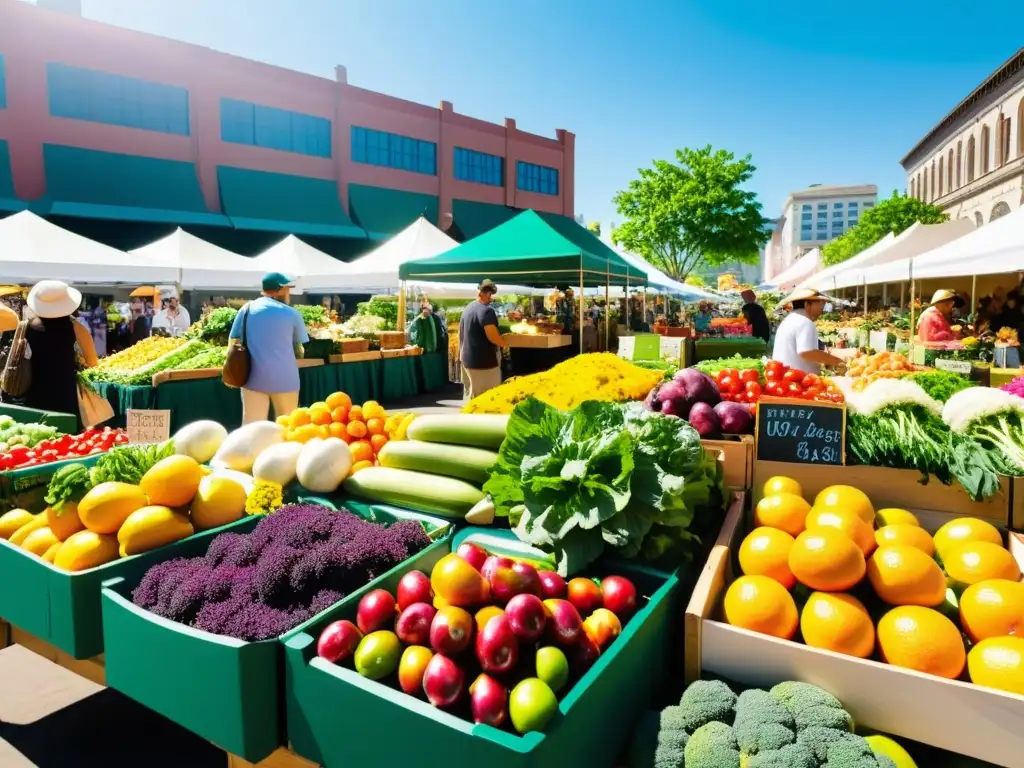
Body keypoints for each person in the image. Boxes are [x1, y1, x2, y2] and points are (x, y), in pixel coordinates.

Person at [230, 272, 309, 424]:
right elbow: (300, 348)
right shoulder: (292, 314)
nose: (288, 293)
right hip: (286, 379)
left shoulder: (246, 310)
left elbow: (233, 341)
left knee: (252, 428)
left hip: (252, 378)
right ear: (279, 289)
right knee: (287, 427)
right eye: (287, 289)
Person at [20, 281, 99, 427]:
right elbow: (93, 363)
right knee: (66, 439)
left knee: (37, 441)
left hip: (33, 394)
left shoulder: (26, 326)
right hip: (65, 394)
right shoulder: (76, 327)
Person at [773, 288, 845, 374]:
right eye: (820, 303)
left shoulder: (791, 319)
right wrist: (837, 361)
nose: (822, 307)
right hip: (796, 381)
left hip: (786, 377)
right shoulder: (804, 321)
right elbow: (807, 352)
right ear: (807, 304)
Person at [459, 279, 507, 400]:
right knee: (486, 399)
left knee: (471, 396)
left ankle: (466, 418)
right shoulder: (487, 311)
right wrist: (504, 343)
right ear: (489, 294)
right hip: (483, 363)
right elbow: (493, 336)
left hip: (467, 360)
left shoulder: (469, 308)